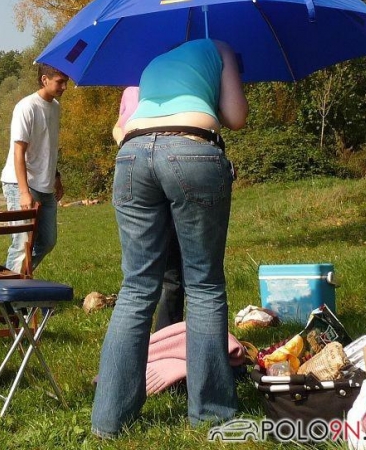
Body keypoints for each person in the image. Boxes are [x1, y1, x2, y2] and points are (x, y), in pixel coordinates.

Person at [92, 38, 248, 437]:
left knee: (136, 288)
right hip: (192, 149)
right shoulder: (220, 47)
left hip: (131, 155)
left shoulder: (153, 61)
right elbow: (236, 117)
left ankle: (109, 419)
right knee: (204, 285)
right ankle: (211, 414)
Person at [113, 86, 184, 331]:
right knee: (157, 274)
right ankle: (163, 341)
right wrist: (124, 140)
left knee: (147, 277)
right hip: (155, 169)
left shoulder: (138, 86)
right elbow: (118, 125)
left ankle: (160, 338)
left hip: (141, 169)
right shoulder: (133, 89)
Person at [0, 63, 68, 273]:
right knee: (22, 243)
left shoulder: (55, 107)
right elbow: (18, 152)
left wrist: (56, 177)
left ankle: (16, 279)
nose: (64, 87)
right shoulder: (26, 107)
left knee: (47, 241)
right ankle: (9, 289)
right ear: (44, 80)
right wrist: (23, 192)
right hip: (21, 184)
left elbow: (47, 147)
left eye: (66, 82)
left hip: (45, 185)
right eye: (60, 82)